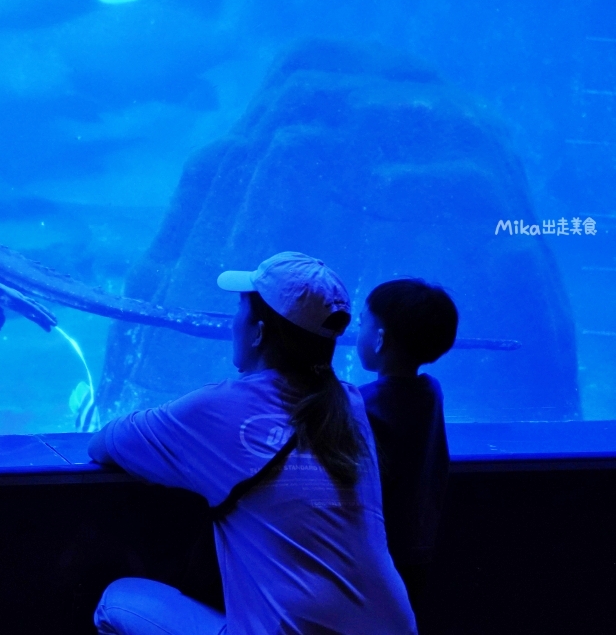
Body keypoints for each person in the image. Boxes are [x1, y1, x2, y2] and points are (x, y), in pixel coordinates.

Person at [89, 252, 415, 635]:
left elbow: (104, 443)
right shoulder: (350, 406)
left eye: (240, 309)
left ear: (258, 331)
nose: (233, 323)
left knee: (116, 599)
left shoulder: (221, 409)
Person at [356, 279, 458, 622]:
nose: (357, 332)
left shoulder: (363, 403)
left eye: (361, 324)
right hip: (419, 546)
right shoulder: (432, 391)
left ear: (380, 338)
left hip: (373, 553)